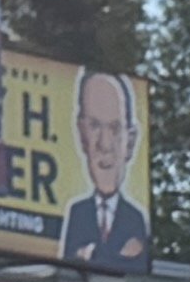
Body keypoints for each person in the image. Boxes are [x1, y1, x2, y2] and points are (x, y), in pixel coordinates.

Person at [55, 69, 152, 268]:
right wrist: (116, 254)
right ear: (82, 135)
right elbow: (67, 268)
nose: (105, 144)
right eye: (95, 126)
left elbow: (136, 265)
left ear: (131, 141)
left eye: (115, 129)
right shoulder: (77, 212)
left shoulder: (135, 218)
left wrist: (92, 253)